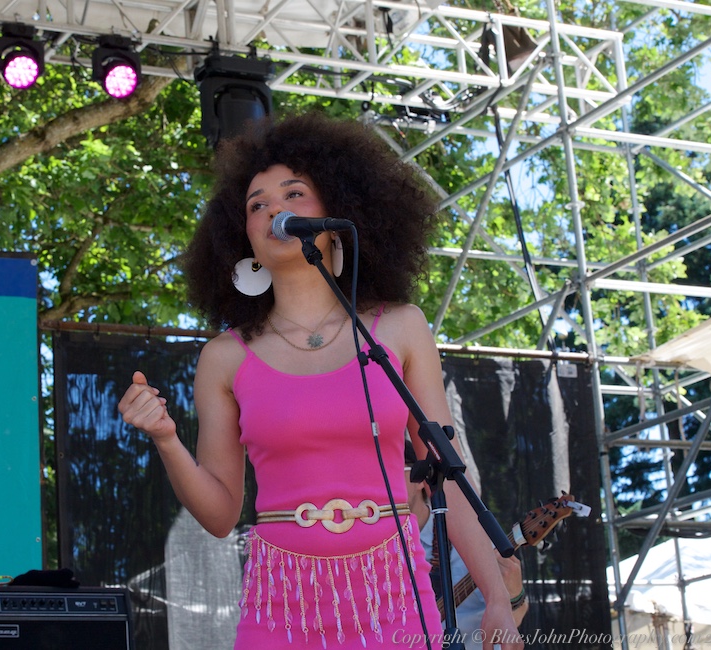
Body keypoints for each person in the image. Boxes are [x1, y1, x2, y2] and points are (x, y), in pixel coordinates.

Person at [118, 112, 523, 650]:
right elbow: (219, 516)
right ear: (244, 242)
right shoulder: (225, 357)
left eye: (294, 194)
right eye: (256, 205)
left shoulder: (400, 327)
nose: (273, 211)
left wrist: (497, 597)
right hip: (279, 602)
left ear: (339, 209)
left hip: (394, 593)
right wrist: (166, 440)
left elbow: (448, 475)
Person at [404, 440, 528, 649]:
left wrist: (514, 595)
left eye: (387, 471)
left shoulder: (466, 538)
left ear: (420, 479)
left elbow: (511, 626)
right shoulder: (370, 547)